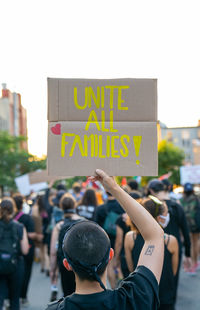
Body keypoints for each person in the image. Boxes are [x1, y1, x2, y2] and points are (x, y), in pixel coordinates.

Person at [46, 169, 164, 310]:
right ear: (110, 255)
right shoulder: (134, 299)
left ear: (67, 265)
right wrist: (114, 188)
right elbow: (155, 235)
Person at [125, 195, 179, 310]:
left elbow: (131, 268)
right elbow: (173, 272)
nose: (167, 216)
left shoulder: (130, 238)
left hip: (141, 295)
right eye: (166, 213)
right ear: (158, 218)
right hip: (165, 296)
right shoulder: (171, 240)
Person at [147, 179, 191, 303]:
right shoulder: (177, 206)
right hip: (174, 248)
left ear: (151, 191)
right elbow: (185, 231)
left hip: (154, 247)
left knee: (154, 281)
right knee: (172, 282)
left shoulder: (151, 206)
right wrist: (188, 253)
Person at [50, 193, 84, 299]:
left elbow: (53, 252)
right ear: (75, 205)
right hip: (82, 263)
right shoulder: (84, 222)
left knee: (67, 294)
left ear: (61, 207)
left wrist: (52, 270)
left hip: (65, 263)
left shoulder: (59, 226)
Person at [0, 197, 29, 310]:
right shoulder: (19, 226)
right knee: (15, 299)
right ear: (14, 209)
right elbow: (25, 250)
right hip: (16, 265)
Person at [94, 190, 124, 288]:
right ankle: (121, 280)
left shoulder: (100, 208)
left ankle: (113, 287)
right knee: (119, 261)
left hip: (105, 239)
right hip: (122, 238)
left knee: (109, 264)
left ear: (106, 194)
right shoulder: (122, 206)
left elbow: (95, 226)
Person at [13, 194, 36, 306]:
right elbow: (32, 234)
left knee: (12, 274)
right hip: (27, 250)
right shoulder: (27, 218)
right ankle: (23, 297)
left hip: (12, 251)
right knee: (26, 273)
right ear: (22, 205)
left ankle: (12, 297)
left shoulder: (7, 217)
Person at [114, 192, 142, 278]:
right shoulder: (144, 218)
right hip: (141, 253)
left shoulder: (121, 219)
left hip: (126, 254)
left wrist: (116, 258)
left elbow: (119, 241)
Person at [180, 183, 200, 274]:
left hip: (186, 225)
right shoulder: (196, 198)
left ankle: (192, 265)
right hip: (196, 224)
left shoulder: (181, 200)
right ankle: (195, 263)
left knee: (191, 244)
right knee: (196, 242)